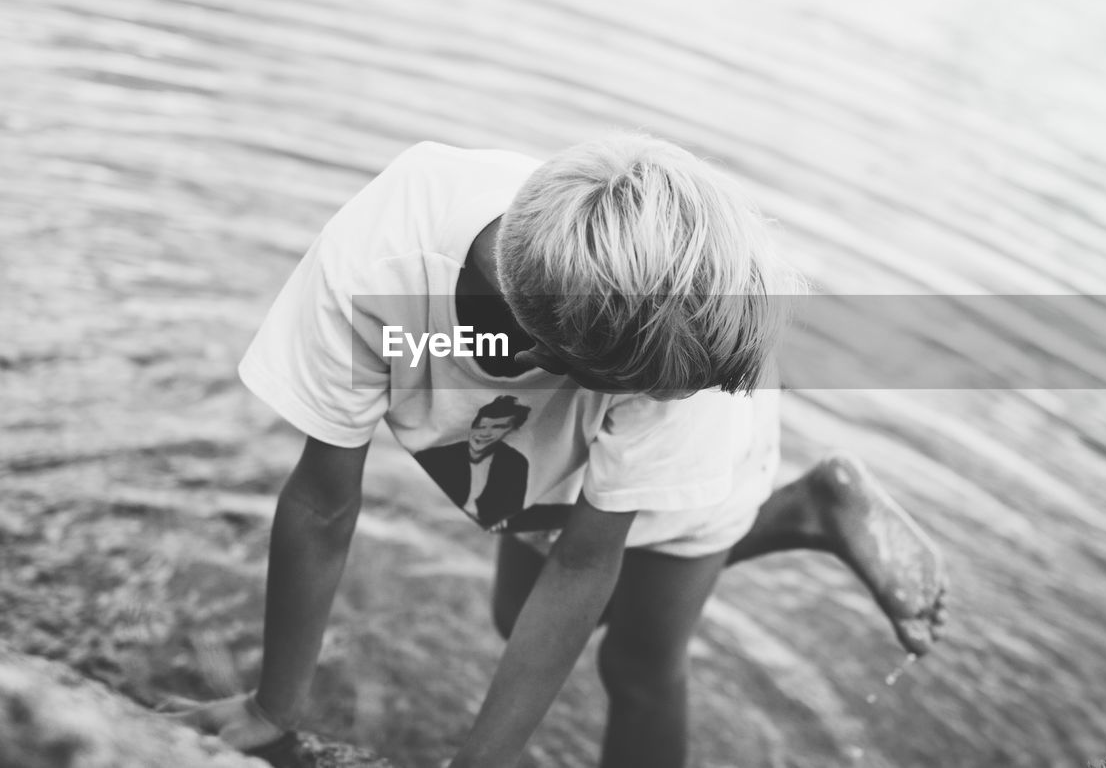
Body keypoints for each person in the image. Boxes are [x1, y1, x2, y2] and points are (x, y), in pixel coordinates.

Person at [170, 137, 949, 768]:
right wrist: (273, 708)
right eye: (650, 394)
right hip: (583, 399)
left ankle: (811, 503)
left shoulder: (685, 389)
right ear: (554, 357)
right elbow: (323, 500)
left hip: (706, 426)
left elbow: (585, 562)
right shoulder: (387, 258)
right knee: (518, 616)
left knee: (640, 662)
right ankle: (800, 512)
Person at [415, 395, 532, 528]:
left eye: (497, 427)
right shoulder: (434, 457)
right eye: (481, 426)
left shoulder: (515, 463)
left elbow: (509, 513)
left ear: (512, 431)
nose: (484, 433)